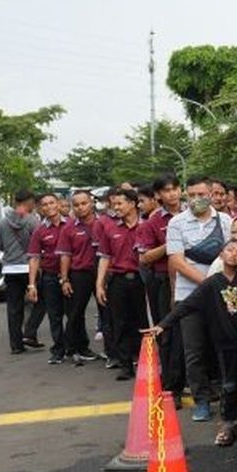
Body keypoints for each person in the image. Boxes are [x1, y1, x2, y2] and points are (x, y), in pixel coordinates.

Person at [148, 238, 237, 447]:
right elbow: (187, 305)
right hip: (224, 344)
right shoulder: (212, 283)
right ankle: (228, 422)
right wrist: (163, 325)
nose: (234, 254)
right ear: (221, 254)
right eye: (230, 249)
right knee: (229, 383)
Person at [167, 177, 226, 420]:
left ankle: (229, 397)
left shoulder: (226, 221)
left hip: (223, 296)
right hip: (188, 296)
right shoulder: (177, 223)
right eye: (190, 195)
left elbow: (234, 253)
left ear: (211, 194)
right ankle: (201, 400)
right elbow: (177, 261)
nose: (195, 199)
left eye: (200, 193)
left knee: (225, 347)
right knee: (194, 350)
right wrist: (208, 284)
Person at [136, 174, 182, 396]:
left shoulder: (192, 215)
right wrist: (171, 243)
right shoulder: (152, 222)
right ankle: (172, 385)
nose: (172, 194)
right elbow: (144, 257)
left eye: (175, 189)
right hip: (163, 281)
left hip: (194, 278)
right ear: (158, 195)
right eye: (166, 190)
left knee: (195, 333)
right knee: (167, 332)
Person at [96, 188, 148, 381]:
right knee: (120, 323)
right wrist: (99, 284)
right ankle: (125, 365)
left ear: (133, 204)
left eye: (119, 203)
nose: (115, 207)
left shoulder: (146, 225)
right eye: (113, 204)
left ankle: (148, 363)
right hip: (117, 280)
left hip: (142, 279)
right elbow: (104, 257)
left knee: (144, 323)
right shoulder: (110, 228)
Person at [27, 193, 75, 364]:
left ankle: (74, 348)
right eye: (44, 204)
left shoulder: (72, 224)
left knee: (73, 314)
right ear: (41, 208)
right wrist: (32, 285)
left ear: (59, 204)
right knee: (55, 315)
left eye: (52, 203)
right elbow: (34, 257)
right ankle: (58, 350)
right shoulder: (40, 230)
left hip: (71, 276)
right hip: (49, 278)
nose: (49, 207)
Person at [59, 189, 105, 368]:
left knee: (107, 312)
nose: (80, 208)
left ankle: (112, 350)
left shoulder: (104, 223)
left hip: (102, 272)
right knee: (75, 313)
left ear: (92, 203)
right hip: (79, 274)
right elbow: (65, 255)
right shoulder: (69, 227)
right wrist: (65, 279)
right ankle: (74, 350)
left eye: (83, 203)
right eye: (76, 205)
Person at [0, 189, 44, 355]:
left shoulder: (2, 223)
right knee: (41, 300)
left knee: (13, 307)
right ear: (28, 201)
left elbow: (0, 245)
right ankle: (30, 332)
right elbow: (40, 243)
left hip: (10, 268)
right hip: (29, 266)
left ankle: (16, 345)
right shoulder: (33, 221)